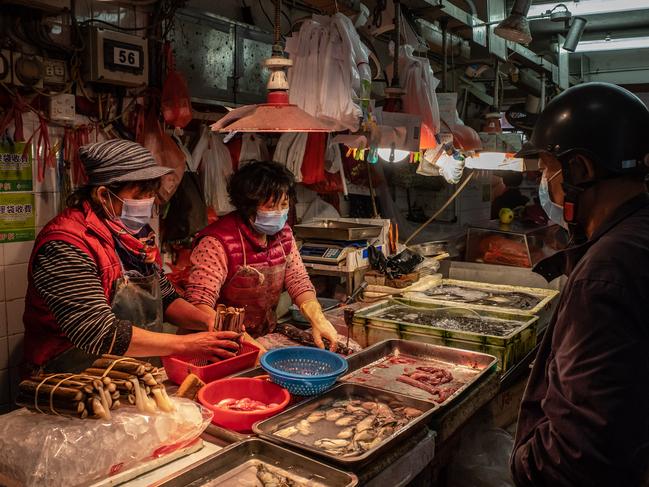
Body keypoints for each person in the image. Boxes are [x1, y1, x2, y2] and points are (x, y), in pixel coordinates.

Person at [510, 82, 649, 486]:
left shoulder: (606, 274)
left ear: (580, 171)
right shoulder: (636, 236)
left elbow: (578, 455)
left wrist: (523, 463)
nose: (544, 186)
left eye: (547, 171)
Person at [22, 139, 241, 375]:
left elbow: (165, 299)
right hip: (69, 381)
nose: (148, 203)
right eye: (139, 195)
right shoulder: (65, 244)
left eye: (151, 194)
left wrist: (205, 321)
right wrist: (188, 345)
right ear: (104, 195)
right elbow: (97, 332)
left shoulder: (136, 237)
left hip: (129, 373)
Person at [186, 161, 339, 350]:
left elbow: (298, 281)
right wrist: (244, 342)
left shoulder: (284, 235)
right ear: (248, 206)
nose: (279, 212)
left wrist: (318, 319)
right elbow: (199, 303)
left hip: (263, 336)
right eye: (271, 206)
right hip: (215, 343)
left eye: (284, 204)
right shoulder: (215, 242)